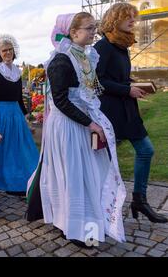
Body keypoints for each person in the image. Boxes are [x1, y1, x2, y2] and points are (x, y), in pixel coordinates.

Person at [26, 13, 127, 247]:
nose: (94, 32)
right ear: (73, 32)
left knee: (90, 173)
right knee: (71, 174)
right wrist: (90, 123)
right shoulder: (61, 60)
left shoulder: (87, 55)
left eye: (94, 27)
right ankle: (71, 225)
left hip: (83, 122)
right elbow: (61, 101)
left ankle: (91, 219)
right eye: (90, 28)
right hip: (68, 126)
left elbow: (90, 90)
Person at [95, 3, 167, 223]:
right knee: (104, 159)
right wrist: (127, 89)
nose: (133, 21)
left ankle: (140, 200)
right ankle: (100, 204)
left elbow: (117, 77)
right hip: (110, 110)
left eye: (133, 18)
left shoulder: (122, 45)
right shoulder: (103, 46)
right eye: (129, 17)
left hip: (127, 107)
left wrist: (137, 85)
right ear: (115, 19)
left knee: (146, 150)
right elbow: (97, 81)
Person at [0, 34, 39, 195]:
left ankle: (25, 179)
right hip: (0, 114)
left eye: (10, 49)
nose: (8, 53)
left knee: (20, 148)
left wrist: (25, 116)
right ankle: (2, 180)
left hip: (16, 114)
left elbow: (18, 98)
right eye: (4, 50)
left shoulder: (17, 72)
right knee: (3, 149)